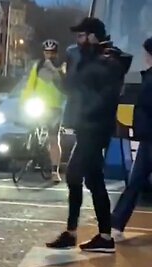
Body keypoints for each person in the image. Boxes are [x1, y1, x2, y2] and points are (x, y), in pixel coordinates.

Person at [46, 17, 132, 253]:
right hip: (87, 128)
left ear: (93, 36)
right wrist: (58, 78)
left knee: (74, 174)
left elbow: (103, 97)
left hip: (95, 129)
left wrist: (84, 110)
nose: (77, 40)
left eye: (82, 35)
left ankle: (77, 233)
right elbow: (74, 89)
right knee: (94, 180)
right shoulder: (88, 58)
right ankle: (101, 236)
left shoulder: (109, 62)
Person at [111, 37, 152, 242]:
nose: (144, 57)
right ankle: (116, 224)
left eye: (146, 53)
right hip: (147, 138)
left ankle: (116, 224)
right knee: (135, 181)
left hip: (150, 137)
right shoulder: (149, 76)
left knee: (136, 182)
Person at [20, 39, 66, 182]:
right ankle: (31, 154)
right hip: (39, 105)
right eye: (46, 52)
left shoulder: (62, 67)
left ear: (56, 53)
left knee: (53, 138)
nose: (49, 55)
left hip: (55, 108)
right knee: (30, 127)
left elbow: (66, 86)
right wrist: (24, 102)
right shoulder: (38, 66)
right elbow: (30, 85)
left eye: (52, 52)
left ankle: (54, 171)